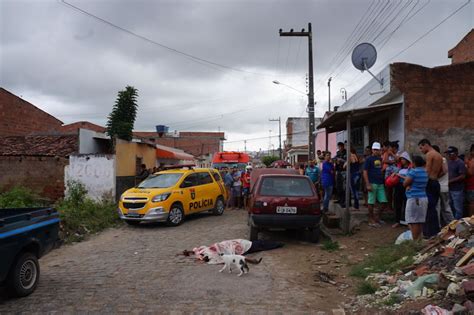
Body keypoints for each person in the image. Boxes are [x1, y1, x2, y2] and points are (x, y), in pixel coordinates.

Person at [418, 138, 442, 238]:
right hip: (436, 182)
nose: (421, 150)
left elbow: (427, 171)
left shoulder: (429, 154)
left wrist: (421, 183)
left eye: (421, 147)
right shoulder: (439, 155)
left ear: (426, 145)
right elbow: (442, 170)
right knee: (433, 207)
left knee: (428, 208)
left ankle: (429, 233)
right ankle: (435, 230)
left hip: (430, 183)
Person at [402, 155, 429, 241]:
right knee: (420, 220)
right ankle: (419, 239)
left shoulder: (413, 172)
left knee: (413, 221)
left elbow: (405, 183)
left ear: (414, 163)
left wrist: (408, 185)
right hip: (423, 197)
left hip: (414, 198)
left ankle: (415, 240)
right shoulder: (425, 172)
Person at [363, 142, 387, 227]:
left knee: (384, 202)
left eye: (378, 149)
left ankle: (377, 218)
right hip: (372, 183)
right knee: (371, 202)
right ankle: (371, 219)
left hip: (380, 183)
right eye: (375, 149)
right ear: (372, 150)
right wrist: (368, 184)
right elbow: (365, 172)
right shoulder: (369, 159)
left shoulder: (380, 159)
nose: (376, 151)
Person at [433, 145, 454, 226]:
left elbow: (444, 171)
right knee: (440, 208)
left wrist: (434, 176)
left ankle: (453, 225)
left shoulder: (442, 159)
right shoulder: (438, 159)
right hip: (440, 187)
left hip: (442, 187)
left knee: (445, 208)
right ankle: (440, 227)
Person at [446, 146, 466, 219]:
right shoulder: (449, 162)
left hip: (457, 189)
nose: (449, 155)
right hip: (450, 188)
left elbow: (462, 176)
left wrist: (450, 181)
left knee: (458, 208)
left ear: (456, 153)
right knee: (451, 207)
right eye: (448, 154)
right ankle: (453, 224)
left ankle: (458, 225)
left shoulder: (460, 163)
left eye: (450, 153)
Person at [392, 151, 411, 228]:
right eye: (401, 159)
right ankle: (397, 221)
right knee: (398, 204)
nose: (402, 161)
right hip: (398, 186)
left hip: (406, 186)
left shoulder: (410, 169)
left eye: (403, 159)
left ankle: (407, 221)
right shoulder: (399, 168)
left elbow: (409, 178)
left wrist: (400, 176)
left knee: (406, 204)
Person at [335, 142, 347, 208]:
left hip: (344, 171)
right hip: (339, 171)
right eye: (338, 147)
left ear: (343, 146)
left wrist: (341, 160)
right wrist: (336, 161)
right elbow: (335, 159)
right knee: (338, 186)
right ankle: (340, 199)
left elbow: (347, 161)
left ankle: (344, 202)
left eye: (340, 147)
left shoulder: (346, 152)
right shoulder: (338, 153)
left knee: (344, 187)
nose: (339, 148)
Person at [466, 144, 474, 216]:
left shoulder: (472, 161)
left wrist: (466, 166)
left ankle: (471, 220)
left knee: (471, 203)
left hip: (472, 185)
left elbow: (470, 173)